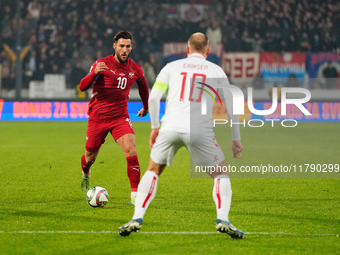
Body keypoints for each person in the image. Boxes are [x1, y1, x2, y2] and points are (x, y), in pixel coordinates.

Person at [118, 33, 245, 238]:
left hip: (170, 126)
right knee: (220, 174)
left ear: (187, 49)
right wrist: (236, 139)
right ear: (207, 51)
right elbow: (231, 106)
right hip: (200, 129)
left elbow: (154, 98)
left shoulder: (171, 68)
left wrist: (155, 127)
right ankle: (223, 218)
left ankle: (137, 217)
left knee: (153, 170)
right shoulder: (217, 71)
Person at [78, 31, 149, 205]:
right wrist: (94, 73)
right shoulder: (101, 64)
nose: (124, 50)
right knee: (90, 157)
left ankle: (135, 195)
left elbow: (143, 87)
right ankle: (86, 172)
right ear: (114, 46)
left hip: (120, 117)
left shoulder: (135, 69)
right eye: (121, 46)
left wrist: (146, 106)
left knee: (130, 149)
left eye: (128, 46)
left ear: (131, 47)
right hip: (98, 117)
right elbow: (82, 87)